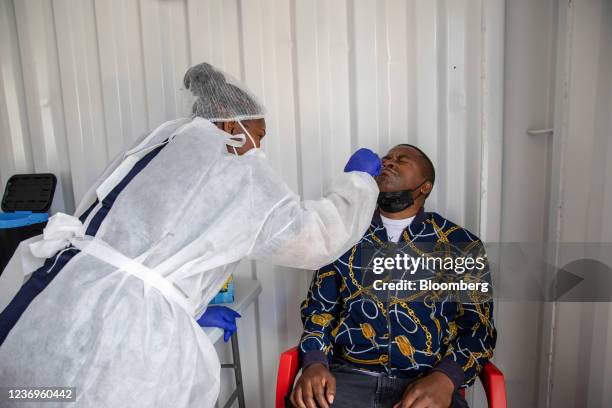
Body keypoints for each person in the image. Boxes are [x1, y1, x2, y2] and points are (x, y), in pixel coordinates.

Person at [0, 62, 382, 408]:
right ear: (233, 125)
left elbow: (149, 247)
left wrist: (187, 308)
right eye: (259, 137)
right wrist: (358, 183)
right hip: (122, 332)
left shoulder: (160, 146)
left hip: (55, 299)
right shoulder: (234, 173)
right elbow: (314, 239)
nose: (259, 149)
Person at [290, 144, 496, 408]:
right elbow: (320, 311)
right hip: (349, 380)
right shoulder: (344, 236)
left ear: (425, 187)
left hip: (426, 384)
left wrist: (445, 379)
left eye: (401, 160)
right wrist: (314, 363)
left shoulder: (461, 244)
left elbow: (479, 328)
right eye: (385, 159)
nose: (388, 162)